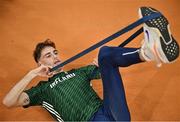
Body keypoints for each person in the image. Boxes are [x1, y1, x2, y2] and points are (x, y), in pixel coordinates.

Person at [3, 7, 179, 121]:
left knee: (105, 54)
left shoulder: (79, 73)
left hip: (112, 114)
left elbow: (109, 72)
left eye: (55, 53)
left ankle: (150, 52)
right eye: (48, 55)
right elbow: (8, 102)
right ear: (39, 62)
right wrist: (33, 74)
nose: (55, 57)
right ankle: (150, 50)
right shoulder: (41, 90)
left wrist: (102, 64)